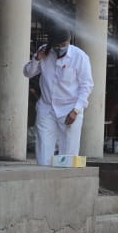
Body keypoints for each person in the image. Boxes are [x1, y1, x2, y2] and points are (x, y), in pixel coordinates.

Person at [22, 24, 93, 166]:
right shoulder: (44, 52)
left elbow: (86, 86)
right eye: (57, 45)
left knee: (68, 154)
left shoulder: (80, 57)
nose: (61, 47)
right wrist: (37, 59)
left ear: (69, 41)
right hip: (47, 108)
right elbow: (28, 73)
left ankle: (66, 184)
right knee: (43, 149)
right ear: (51, 43)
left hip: (70, 109)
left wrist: (76, 110)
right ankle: (44, 180)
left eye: (64, 44)